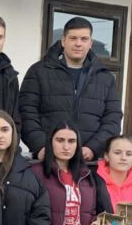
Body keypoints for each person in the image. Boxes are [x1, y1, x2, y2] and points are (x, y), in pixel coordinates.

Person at [18, 17, 122, 161]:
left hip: (89, 163)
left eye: (84, 39)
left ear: (90, 43)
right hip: (48, 161)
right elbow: (26, 113)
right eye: (73, 38)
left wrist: (93, 148)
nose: (78, 43)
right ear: (63, 41)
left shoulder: (105, 78)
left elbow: (113, 119)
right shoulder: (38, 72)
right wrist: (41, 146)